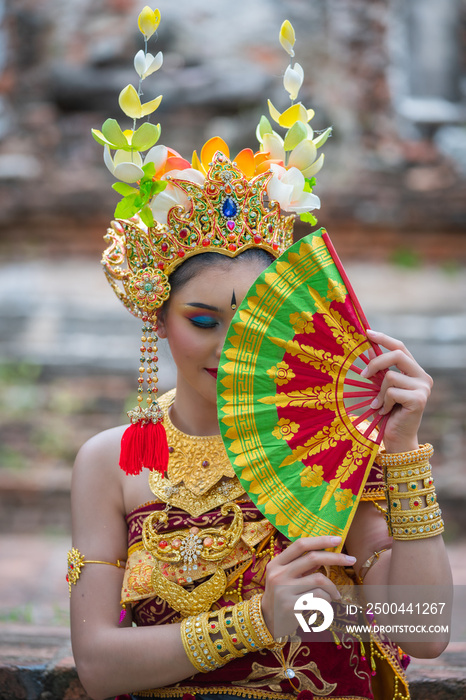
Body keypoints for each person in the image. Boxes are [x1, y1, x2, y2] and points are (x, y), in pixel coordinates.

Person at [68, 11, 452, 700]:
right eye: (205, 320)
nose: (231, 346)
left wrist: (401, 449)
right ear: (158, 319)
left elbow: (422, 629)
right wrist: (255, 621)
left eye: (253, 321)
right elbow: (97, 665)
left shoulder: (333, 437)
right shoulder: (111, 461)